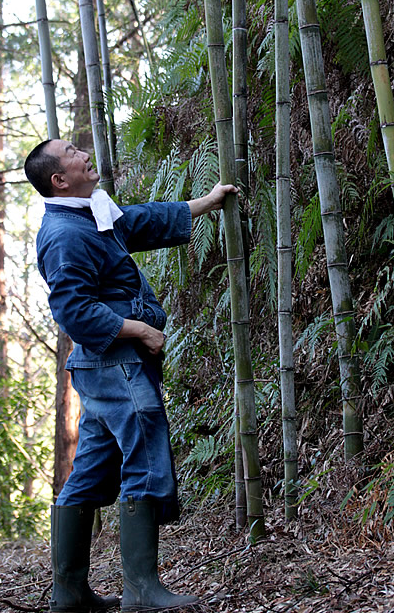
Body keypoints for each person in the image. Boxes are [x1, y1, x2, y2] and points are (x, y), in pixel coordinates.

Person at [24, 139, 238, 613]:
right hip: (114, 359)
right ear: (60, 179)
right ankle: (141, 590)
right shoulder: (64, 233)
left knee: (94, 467)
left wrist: (202, 203)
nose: (83, 153)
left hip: (105, 365)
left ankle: (70, 594)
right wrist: (139, 329)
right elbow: (73, 310)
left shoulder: (89, 214)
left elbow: (135, 223)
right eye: (72, 151)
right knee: (143, 448)